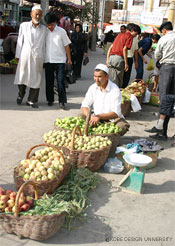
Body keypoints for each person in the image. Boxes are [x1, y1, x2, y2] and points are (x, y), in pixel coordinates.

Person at [145, 21, 175, 140]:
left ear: (163, 30)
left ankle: (160, 128)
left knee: (164, 99)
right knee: (170, 99)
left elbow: (157, 55)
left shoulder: (164, 39)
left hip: (167, 68)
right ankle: (162, 130)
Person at [14, 5, 46, 108]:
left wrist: (44, 58)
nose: (37, 16)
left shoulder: (44, 29)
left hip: (38, 56)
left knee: (36, 78)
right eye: (36, 14)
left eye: (40, 15)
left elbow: (45, 45)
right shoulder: (24, 26)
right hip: (25, 55)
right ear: (31, 14)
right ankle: (20, 94)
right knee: (22, 76)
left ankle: (32, 100)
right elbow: (20, 41)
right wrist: (17, 56)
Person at [44, 12, 72, 109]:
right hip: (48, 60)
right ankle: (50, 99)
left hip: (60, 60)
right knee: (49, 81)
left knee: (60, 81)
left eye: (51, 24)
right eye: (48, 25)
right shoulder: (45, 32)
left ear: (55, 22)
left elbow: (66, 45)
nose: (50, 27)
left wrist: (69, 59)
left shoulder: (61, 31)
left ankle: (62, 101)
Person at [106, 24, 140, 88]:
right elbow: (124, 49)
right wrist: (126, 63)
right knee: (119, 81)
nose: (136, 35)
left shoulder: (119, 35)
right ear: (132, 31)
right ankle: (117, 95)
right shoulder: (130, 37)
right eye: (136, 33)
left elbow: (110, 47)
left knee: (113, 79)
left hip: (111, 58)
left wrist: (107, 60)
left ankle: (111, 93)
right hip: (119, 59)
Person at [122, 23, 141, 88]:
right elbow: (125, 49)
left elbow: (136, 51)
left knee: (125, 76)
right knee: (124, 76)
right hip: (125, 58)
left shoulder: (134, 38)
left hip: (127, 58)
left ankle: (122, 89)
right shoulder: (127, 37)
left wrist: (136, 61)